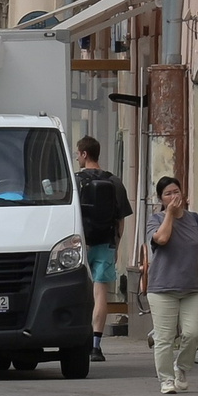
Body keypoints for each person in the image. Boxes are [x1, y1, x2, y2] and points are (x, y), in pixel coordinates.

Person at [143, 176, 198, 394]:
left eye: (176, 192)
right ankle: (165, 380)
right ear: (161, 199)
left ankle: (181, 367)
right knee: (164, 338)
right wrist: (170, 215)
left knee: (192, 333)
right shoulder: (155, 220)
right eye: (168, 194)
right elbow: (161, 239)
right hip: (162, 288)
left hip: (191, 287)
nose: (174, 197)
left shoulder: (196, 220)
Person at [74, 137, 133, 362]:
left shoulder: (75, 181)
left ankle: (79, 340)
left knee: (78, 292)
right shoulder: (114, 182)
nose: (77, 157)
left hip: (79, 245)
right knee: (100, 295)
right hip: (106, 244)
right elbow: (121, 221)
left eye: (77, 154)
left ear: (84, 154)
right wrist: (116, 246)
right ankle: (96, 347)